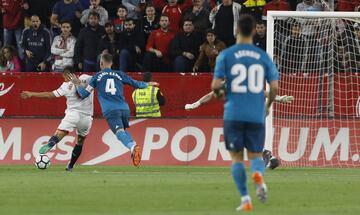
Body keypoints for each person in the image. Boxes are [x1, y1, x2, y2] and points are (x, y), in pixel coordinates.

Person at [211, 14, 279, 211]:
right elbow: (274, 87)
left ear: (237, 30)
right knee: (256, 156)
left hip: (233, 114)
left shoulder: (226, 55)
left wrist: (219, 93)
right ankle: (258, 177)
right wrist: (268, 105)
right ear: (253, 31)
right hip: (256, 114)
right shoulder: (263, 56)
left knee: (237, 159)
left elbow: (215, 85)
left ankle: (245, 199)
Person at [68, 53, 159, 167]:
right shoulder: (120, 74)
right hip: (125, 109)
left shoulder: (97, 76)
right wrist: (148, 84)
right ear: (111, 63)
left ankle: (132, 147)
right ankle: (133, 146)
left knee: (119, 132)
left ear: (101, 63)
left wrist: (77, 84)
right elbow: (136, 84)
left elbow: (84, 94)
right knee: (123, 132)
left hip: (111, 110)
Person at [20, 67, 94, 171]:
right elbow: (96, 80)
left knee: (58, 135)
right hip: (86, 118)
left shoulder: (65, 86)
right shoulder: (85, 78)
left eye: (63, 77)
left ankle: (52, 143)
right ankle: (70, 166)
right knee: (80, 142)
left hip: (72, 115)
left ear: (66, 75)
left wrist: (32, 94)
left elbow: (49, 95)